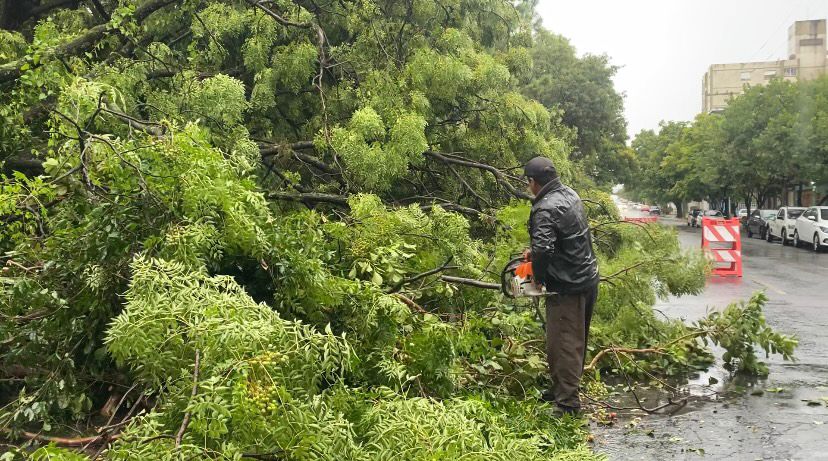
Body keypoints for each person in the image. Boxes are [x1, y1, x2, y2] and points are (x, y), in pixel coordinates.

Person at [523, 156, 600, 415]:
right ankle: (562, 390)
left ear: (533, 182)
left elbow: (544, 248)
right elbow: (563, 239)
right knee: (574, 341)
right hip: (587, 278)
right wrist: (536, 253)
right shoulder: (569, 194)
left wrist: (539, 278)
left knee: (564, 344)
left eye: (528, 183)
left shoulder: (545, 207)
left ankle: (567, 405)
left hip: (568, 286)